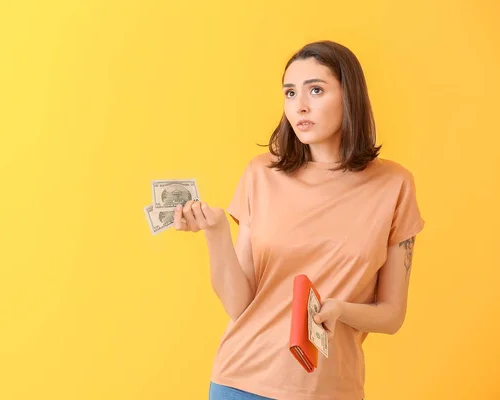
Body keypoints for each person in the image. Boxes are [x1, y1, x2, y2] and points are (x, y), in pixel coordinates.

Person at [173, 40, 425, 400]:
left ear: (349, 97)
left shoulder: (394, 185)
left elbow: (391, 314)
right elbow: (238, 305)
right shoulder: (261, 174)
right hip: (241, 381)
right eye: (290, 93)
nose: (300, 106)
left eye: (316, 90)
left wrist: (341, 310)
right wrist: (215, 233)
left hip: (332, 389)